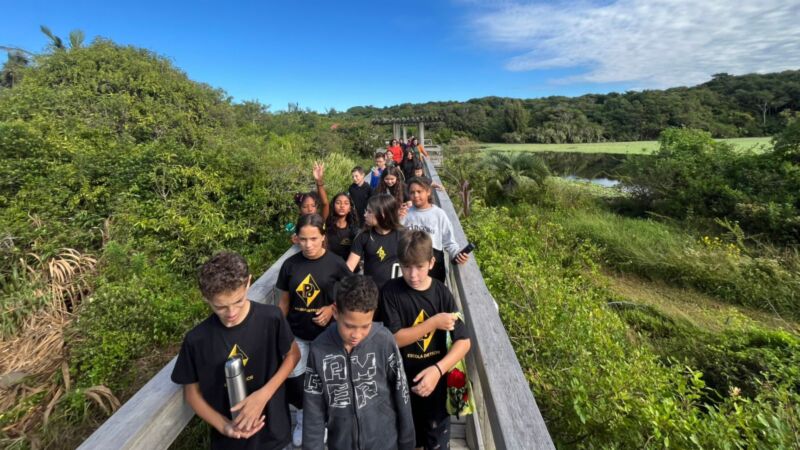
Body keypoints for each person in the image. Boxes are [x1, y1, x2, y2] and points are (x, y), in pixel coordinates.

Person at [171, 252, 300, 450]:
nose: (231, 313)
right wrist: (224, 426)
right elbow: (191, 393)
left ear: (248, 282)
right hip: (229, 442)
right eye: (220, 307)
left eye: (238, 301)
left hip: (275, 434)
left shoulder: (271, 318)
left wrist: (263, 395)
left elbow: (293, 355)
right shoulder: (196, 340)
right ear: (205, 297)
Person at [381, 230, 471, 450]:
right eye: (406, 267)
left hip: (436, 388)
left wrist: (438, 370)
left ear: (431, 263)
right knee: (405, 440)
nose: (413, 274)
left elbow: (463, 342)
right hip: (401, 384)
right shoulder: (391, 292)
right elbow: (395, 338)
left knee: (436, 441)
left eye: (419, 267)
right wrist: (433, 323)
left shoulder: (442, 293)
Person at [302, 275, 415, 450]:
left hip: (385, 443)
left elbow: (402, 392)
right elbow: (313, 409)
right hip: (341, 444)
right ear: (335, 312)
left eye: (365, 326)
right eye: (349, 326)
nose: (356, 335)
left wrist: (407, 443)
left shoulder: (384, 340)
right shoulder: (318, 349)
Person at [276, 214, 352, 447]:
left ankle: (323, 421)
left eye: (313, 239)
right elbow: (283, 302)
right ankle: (303, 419)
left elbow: (350, 293)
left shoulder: (336, 263)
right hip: (296, 334)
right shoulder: (290, 265)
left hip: (327, 336)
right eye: (303, 239)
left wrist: (332, 308)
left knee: (325, 380)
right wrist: (277, 331)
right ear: (296, 238)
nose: (308, 245)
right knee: (297, 381)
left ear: (323, 236)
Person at [403, 177, 469, 282]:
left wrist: (457, 254)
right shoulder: (406, 214)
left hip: (434, 263)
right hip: (411, 264)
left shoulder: (439, 214)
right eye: (412, 192)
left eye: (419, 192)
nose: (415, 195)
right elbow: (395, 236)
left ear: (428, 192)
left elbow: (449, 241)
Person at [347, 194, 404, 291]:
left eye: (369, 212)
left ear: (382, 214)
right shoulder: (363, 236)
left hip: (395, 292)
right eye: (366, 211)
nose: (365, 215)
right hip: (370, 292)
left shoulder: (403, 235)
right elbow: (350, 266)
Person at [325, 192, 359, 261]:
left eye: (346, 203)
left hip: (348, 266)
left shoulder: (354, 231)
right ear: (333, 206)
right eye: (338, 203)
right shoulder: (326, 227)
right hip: (329, 265)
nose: (342, 206)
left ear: (350, 208)